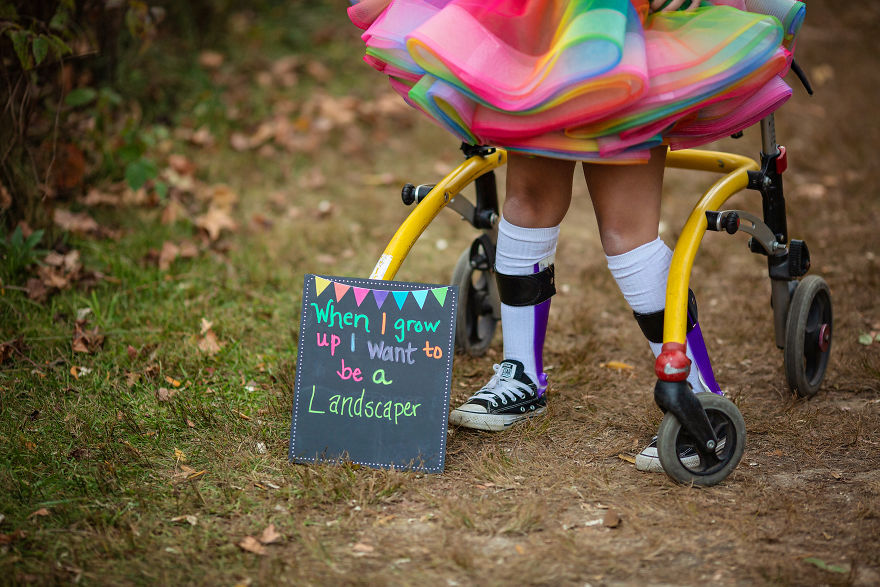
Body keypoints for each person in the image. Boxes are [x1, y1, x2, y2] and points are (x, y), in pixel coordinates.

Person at [348, 0, 805, 472]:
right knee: (527, 201)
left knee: (626, 228)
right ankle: (521, 373)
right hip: (541, 22)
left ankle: (699, 394)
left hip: (627, 28)